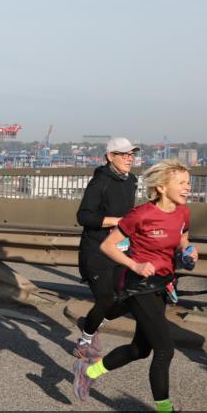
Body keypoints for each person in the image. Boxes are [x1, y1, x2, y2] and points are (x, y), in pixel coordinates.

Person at [73, 160, 200, 413]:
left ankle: (88, 372)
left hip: (162, 285)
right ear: (162, 187)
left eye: (188, 182)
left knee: (140, 349)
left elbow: (182, 239)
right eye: (181, 183)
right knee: (164, 350)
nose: (188, 187)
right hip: (139, 287)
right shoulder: (141, 214)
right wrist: (135, 265)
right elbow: (108, 246)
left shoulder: (183, 212)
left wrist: (188, 250)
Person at [73, 138, 140, 358]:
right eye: (124, 154)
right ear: (110, 157)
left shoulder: (131, 180)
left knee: (129, 298)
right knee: (105, 299)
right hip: (97, 251)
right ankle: (85, 340)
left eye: (132, 154)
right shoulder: (100, 181)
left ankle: (93, 322)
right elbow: (84, 216)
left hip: (121, 249)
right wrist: (117, 222)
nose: (129, 158)